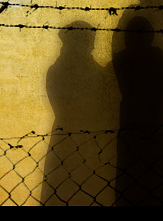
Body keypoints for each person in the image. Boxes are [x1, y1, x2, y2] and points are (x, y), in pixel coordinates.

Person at [41, 21, 118, 206]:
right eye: (88, 39)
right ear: (77, 42)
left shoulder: (58, 70)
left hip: (68, 142)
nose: (93, 44)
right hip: (86, 146)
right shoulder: (91, 73)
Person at [112, 16, 163, 205]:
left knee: (129, 181)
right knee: (155, 180)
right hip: (154, 128)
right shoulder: (158, 58)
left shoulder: (121, 59)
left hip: (130, 128)